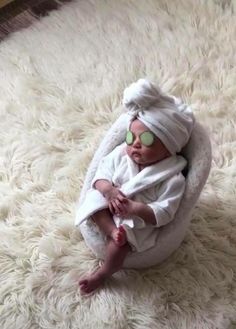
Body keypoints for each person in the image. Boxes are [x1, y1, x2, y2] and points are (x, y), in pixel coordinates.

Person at [76, 79, 195, 294]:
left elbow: (165, 212)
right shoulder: (121, 154)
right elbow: (100, 174)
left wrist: (135, 209)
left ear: (169, 148)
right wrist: (108, 191)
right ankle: (109, 230)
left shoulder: (173, 178)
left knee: (121, 246)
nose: (135, 144)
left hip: (133, 222)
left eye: (146, 139)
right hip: (109, 203)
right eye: (131, 137)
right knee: (93, 201)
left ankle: (103, 273)